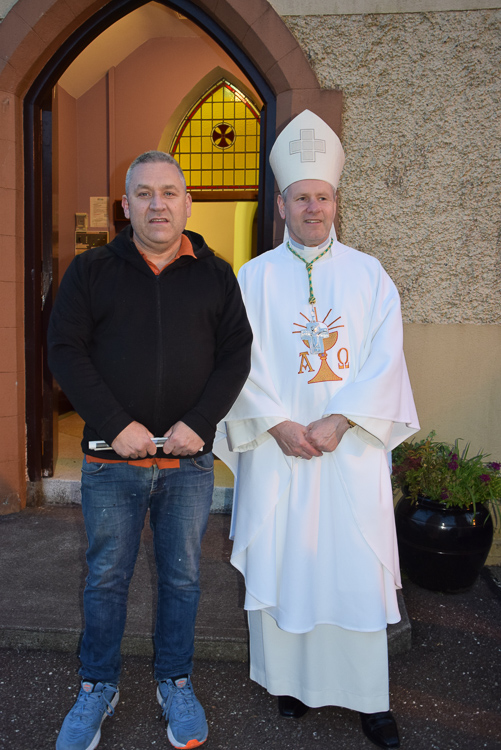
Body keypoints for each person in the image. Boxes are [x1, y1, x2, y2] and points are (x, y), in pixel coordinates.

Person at [215, 111, 420, 749]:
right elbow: (232, 359)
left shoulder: (370, 276)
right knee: (288, 563)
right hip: (280, 454)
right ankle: (293, 685)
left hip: (349, 452)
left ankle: (370, 700)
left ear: (336, 202)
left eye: (322, 197)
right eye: (301, 197)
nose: (313, 207)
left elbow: (387, 359)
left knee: (353, 568)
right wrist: (276, 423)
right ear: (281, 205)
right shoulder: (252, 279)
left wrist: (338, 419)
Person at [48, 150, 252, 750]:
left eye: (169, 192)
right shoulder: (91, 273)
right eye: (144, 193)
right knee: (107, 577)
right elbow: (65, 350)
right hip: (112, 464)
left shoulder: (216, 276)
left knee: (184, 578)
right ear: (126, 205)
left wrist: (200, 421)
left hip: (187, 463)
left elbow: (235, 356)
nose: (157, 204)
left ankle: (175, 681)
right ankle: (96, 687)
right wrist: (114, 423)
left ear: (187, 203)